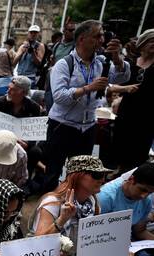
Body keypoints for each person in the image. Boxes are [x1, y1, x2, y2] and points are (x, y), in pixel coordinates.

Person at [42, 20, 131, 193]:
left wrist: (117, 59)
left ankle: (71, 204)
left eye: (102, 35)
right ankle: (48, 203)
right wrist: (88, 88)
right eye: (97, 36)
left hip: (87, 128)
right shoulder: (64, 64)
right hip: (62, 126)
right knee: (53, 171)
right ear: (82, 39)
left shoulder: (102, 62)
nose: (102, 39)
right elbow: (59, 97)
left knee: (79, 174)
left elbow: (123, 77)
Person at [30, 155, 111, 256]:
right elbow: (38, 242)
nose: (102, 179)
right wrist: (62, 219)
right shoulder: (52, 202)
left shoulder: (93, 203)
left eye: (104, 175)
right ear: (78, 176)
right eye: (96, 175)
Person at [98, 163, 154, 256]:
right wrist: (123, 249)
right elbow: (95, 236)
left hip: (129, 243)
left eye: (150, 192)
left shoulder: (146, 201)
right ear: (131, 180)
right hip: (106, 243)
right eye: (142, 190)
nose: (144, 196)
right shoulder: (106, 197)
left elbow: (139, 230)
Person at [112, 29, 153, 172]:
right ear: (143, 43)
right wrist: (123, 91)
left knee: (139, 150)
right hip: (126, 111)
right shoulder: (130, 63)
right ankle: (119, 173)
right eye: (151, 41)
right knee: (121, 145)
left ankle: (133, 176)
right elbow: (113, 85)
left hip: (147, 115)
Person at [0, 76, 43, 180]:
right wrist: (10, 139)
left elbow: (34, 135)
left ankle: (24, 180)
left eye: (13, 90)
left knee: (35, 151)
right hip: (0, 139)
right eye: (9, 88)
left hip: (22, 142)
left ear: (23, 92)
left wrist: (27, 144)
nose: (8, 91)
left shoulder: (34, 108)